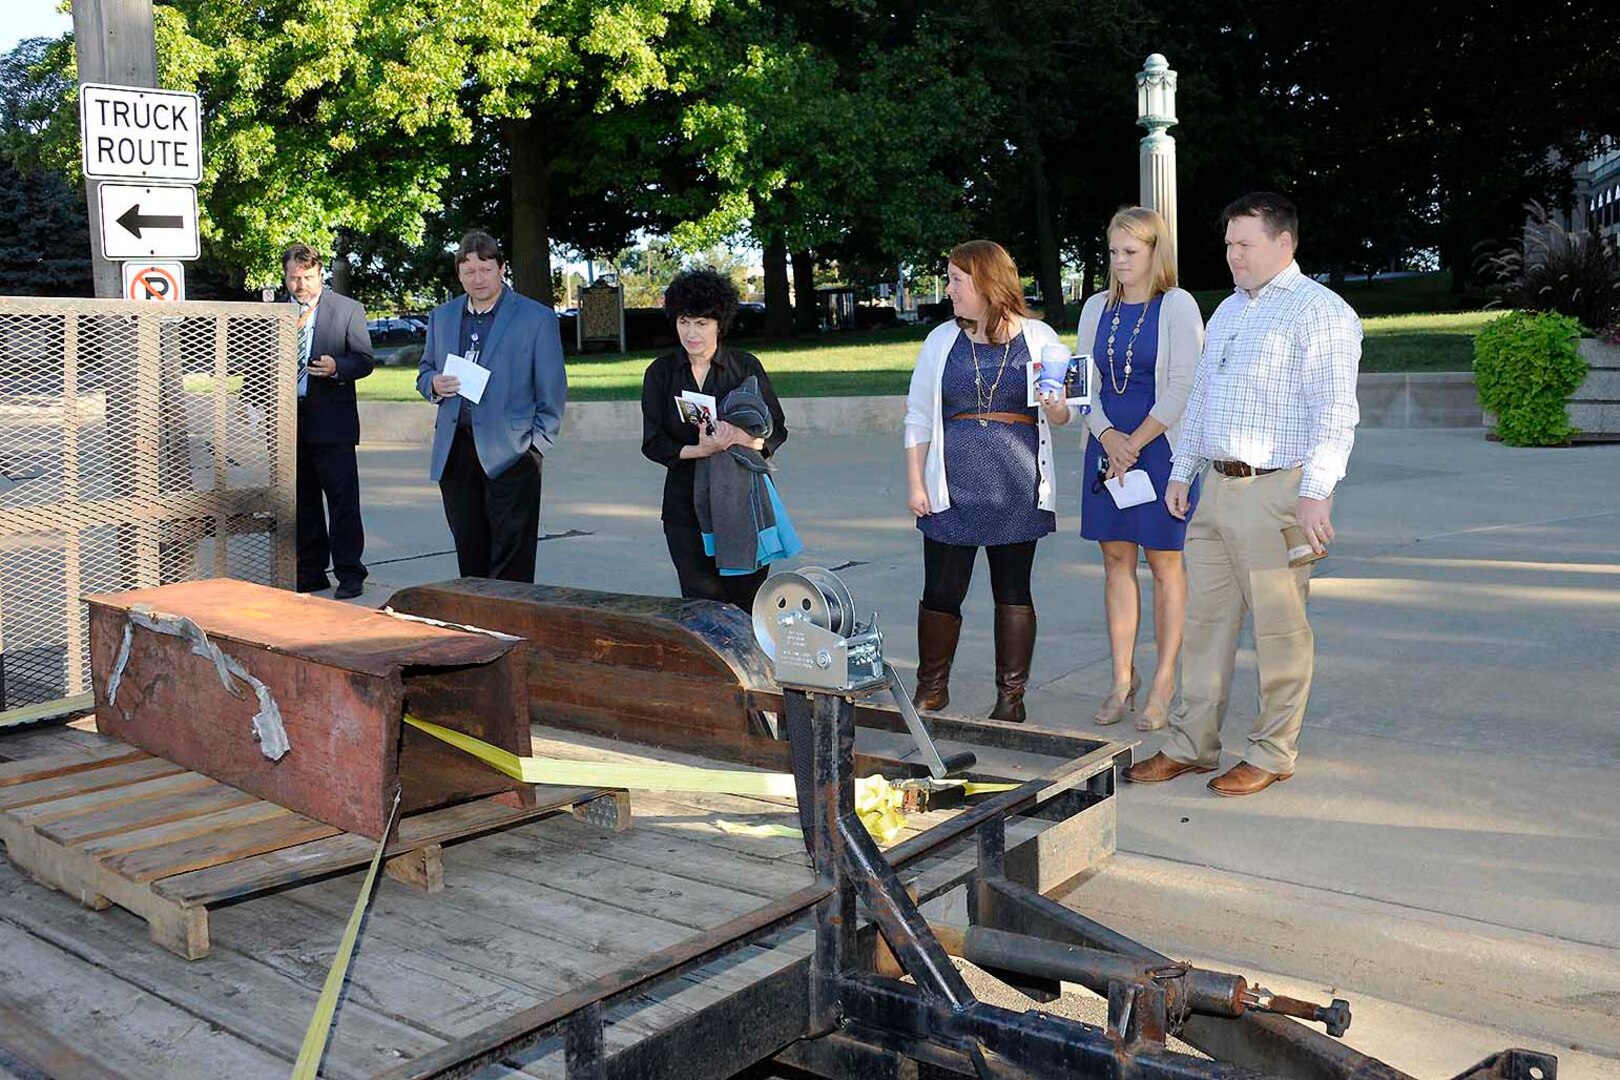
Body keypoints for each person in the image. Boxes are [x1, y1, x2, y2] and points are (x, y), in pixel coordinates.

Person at [1126, 192, 1361, 796]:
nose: (1231, 255)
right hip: (1216, 490)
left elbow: (1335, 412)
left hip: (1278, 492)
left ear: (1284, 243)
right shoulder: (1229, 311)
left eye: (1244, 244)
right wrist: (1183, 471)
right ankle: (1190, 744)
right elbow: (1202, 399)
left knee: (1280, 630)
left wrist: (1317, 492)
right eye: (1228, 244)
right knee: (1205, 624)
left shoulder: (1321, 313)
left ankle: (1273, 751)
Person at [904, 239, 1074, 723]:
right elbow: (918, 417)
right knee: (940, 591)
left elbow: (1060, 414)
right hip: (950, 486)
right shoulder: (941, 340)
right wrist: (916, 482)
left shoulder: (1041, 338)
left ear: (985, 282)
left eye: (956, 280)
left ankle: (1010, 698)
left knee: (1013, 591)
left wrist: (1057, 405)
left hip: (1017, 486)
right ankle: (932, 689)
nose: (949, 289)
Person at [1074, 208, 1205, 731]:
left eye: (1131, 252)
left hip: (1160, 449)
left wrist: (1135, 442)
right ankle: (1121, 680)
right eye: (1113, 252)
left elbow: (1184, 385)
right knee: (1115, 561)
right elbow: (1082, 383)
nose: (1120, 262)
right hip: (1108, 448)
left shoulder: (1176, 305)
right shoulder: (1093, 309)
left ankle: (1165, 682)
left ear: (1155, 252)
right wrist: (1108, 437)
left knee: (1166, 562)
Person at [417, 231, 566, 583]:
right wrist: (433, 384)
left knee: (512, 554)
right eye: (469, 272)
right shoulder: (442, 317)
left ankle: (513, 627)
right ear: (458, 274)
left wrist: (535, 448)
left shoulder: (536, 318)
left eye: (485, 269)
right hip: (455, 450)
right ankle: (478, 624)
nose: (477, 279)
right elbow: (424, 370)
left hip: (513, 453)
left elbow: (553, 390)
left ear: (501, 268)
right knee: (469, 546)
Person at [640, 268, 788, 610]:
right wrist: (698, 449)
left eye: (702, 323)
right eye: (684, 322)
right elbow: (653, 442)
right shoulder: (660, 373)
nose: (691, 333)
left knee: (746, 603)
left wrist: (739, 437)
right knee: (701, 605)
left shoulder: (744, 366)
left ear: (719, 322)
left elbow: (776, 429)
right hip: (684, 508)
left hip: (742, 504)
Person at [284, 244, 374, 600]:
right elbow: (261, 359)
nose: (299, 285)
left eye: (306, 277)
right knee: (302, 501)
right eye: (293, 278)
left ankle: (350, 572)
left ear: (319, 273)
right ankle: (311, 571)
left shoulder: (348, 310)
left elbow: (365, 360)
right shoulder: (277, 312)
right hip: (291, 421)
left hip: (332, 420)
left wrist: (338, 367)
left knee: (342, 501)